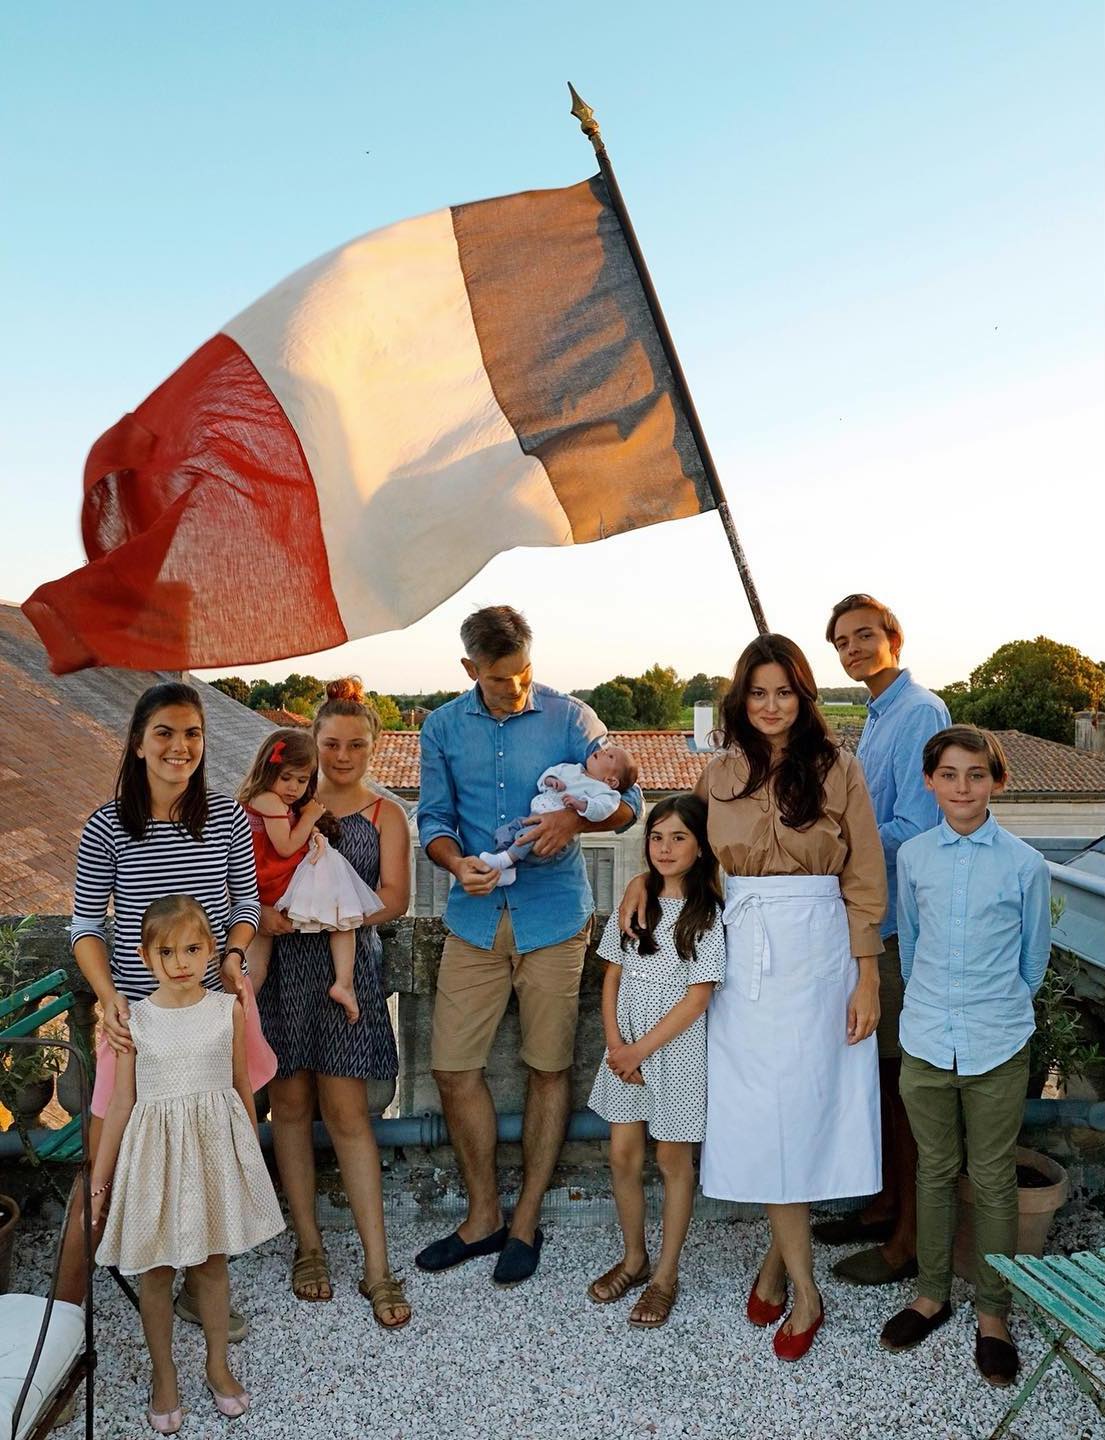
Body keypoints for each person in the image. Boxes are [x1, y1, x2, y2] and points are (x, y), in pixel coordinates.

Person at [621, 634, 886, 1360]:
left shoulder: (840, 769)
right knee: (763, 1113)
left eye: (785, 691)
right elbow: (678, 838)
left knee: (802, 1108)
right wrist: (645, 876)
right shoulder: (720, 773)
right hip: (743, 960)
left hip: (819, 953)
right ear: (742, 699)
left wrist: (867, 974)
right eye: (758, 692)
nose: (771, 706)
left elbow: (863, 878)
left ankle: (791, 1279)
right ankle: (800, 1281)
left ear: (803, 696)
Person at [416, 605, 642, 1287]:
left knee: (548, 1067)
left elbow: (630, 807)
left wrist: (572, 820)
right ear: (468, 670)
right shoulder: (440, 726)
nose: (516, 689)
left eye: (523, 675)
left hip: (553, 917)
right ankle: (482, 1215)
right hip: (473, 918)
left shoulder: (574, 719)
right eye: (499, 679)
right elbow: (431, 821)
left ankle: (525, 1220)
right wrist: (458, 866)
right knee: (452, 1068)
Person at [59, 681, 271, 1341]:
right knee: (104, 1166)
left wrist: (233, 957)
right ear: (138, 742)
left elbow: (246, 907)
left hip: (213, 1021)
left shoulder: (228, 820)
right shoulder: (107, 826)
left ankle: (192, 1294)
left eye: (192, 734)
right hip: (137, 1027)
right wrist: (109, 995)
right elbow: (85, 925)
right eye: (165, 733)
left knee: (208, 1157)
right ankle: (59, 1330)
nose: (180, 747)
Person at [878, 727, 1051, 1387]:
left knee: (992, 1177)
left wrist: (992, 1011)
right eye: (947, 775)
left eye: (975, 775)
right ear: (930, 782)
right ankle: (929, 1294)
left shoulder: (1023, 864)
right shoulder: (915, 857)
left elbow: (1030, 961)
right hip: (925, 1038)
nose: (961, 787)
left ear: (996, 782)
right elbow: (913, 944)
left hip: (995, 1040)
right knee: (932, 1170)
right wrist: (931, 1008)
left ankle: (992, 1313)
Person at [92, 896, 284, 1432]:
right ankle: (163, 1372)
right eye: (168, 951)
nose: (181, 961)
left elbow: (243, 1088)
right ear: (145, 955)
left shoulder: (229, 1009)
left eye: (193, 948)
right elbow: (121, 1104)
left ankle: (218, 1364)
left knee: (212, 1265)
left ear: (211, 949)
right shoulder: (136, 1020)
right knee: (155, 1270)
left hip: (213, 1158)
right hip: (154, 1161)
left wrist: (250, 1161)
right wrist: (99, 1185)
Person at [256, 678, 411, 1325]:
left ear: (372, 747)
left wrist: (334, 913)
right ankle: (309, 1248)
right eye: (330, 744)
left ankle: (377, 1267)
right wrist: (265, 916)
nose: (342, 755)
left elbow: (396, 896)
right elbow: (246, 876)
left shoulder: (385, 814)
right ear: (313, 744)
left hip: (346, 972)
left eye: (354, 745)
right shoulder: (285, 802)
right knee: (288, 1108)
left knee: (348, 1116)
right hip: (282, 970)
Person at [816, 594, 951, 1287]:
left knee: (904, 1085)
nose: (852, 649)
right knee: (879, 1078)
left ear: (892, 638)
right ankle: (884, 1203)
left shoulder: (920, 713)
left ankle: (908, 1243)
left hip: (902, 929)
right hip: (872, 921)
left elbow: (914, 829)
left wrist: (832, 844)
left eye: (863, 636)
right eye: (841, 642)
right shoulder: (874, 719)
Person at [587, 795, 724, 1328]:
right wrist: (617, 1044)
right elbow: (612, 978)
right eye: (657, 837)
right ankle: (634, 1256)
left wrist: (642, 1050)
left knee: (672, 1162)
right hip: (625, 1051)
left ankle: (666, 1273)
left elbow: (699, 996)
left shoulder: (706, 914)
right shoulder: (636, 905)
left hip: (677, 1055)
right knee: (622, 1154)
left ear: (701, 846)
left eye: (679, 838)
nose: (665, 848)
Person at [238, 727, 384, 1024]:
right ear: (268, 772)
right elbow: (285, 846)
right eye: (286, 777)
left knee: (258, 969)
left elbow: (296, 835)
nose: (293, 787)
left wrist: (314, 833)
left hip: (276, 886)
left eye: (302, 780)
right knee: (340, 907)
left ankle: (341, 983)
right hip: (271, 884)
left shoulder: (284, 803)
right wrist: (309, 818)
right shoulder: (267, 799)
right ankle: (342, 983)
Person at [479, 744, 639, 885]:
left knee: (525, 837)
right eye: (606, 749)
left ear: (611, 781)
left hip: (549, 833)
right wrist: (551, 780)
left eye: (609, 756)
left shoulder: (604, 791)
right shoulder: (572, 769)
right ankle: (507, 871)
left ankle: (504, 860)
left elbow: (603, 809)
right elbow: (548, 775)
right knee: (507, 831)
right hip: (533, 816)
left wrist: (580, 806)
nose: (602, 750)